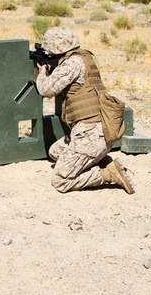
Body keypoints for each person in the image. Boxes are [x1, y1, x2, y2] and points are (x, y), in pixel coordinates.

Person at [33, 26, 134, 194]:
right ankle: (105, 161)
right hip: (98, 130)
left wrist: (43, 72)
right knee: (55, 152)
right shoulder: (85, 58)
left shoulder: (72, 63)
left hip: (92, 133)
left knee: (60, 180)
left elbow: (47, 90)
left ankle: (108, 173)